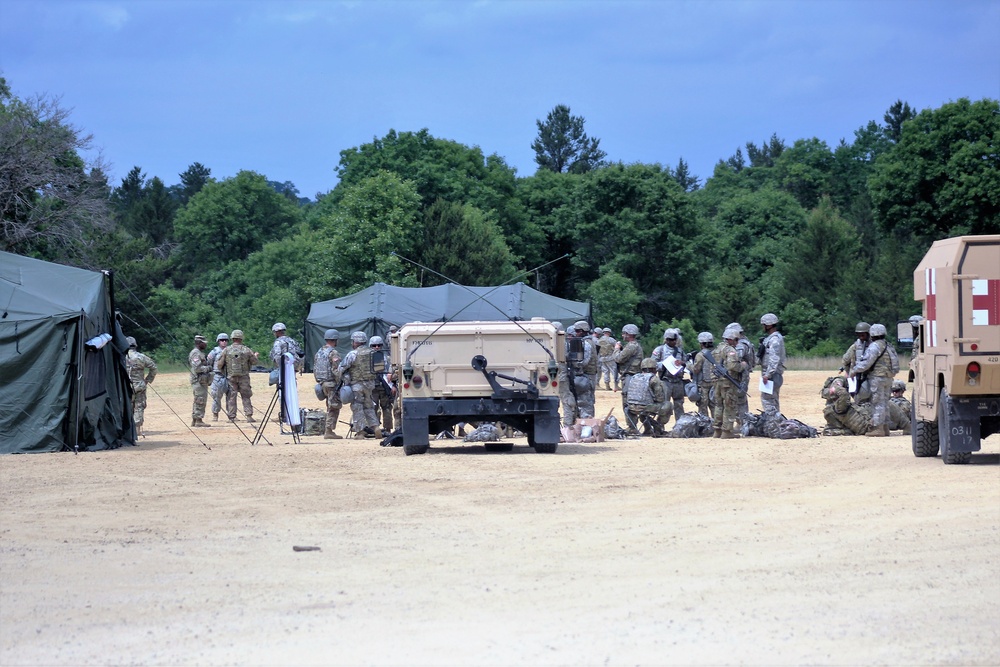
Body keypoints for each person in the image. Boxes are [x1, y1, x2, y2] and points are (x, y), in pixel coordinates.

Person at [849, 323, 899, 437]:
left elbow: (866, 363)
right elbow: (896, 363)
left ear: (872, 334)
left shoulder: (874, 346)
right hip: (888, 377)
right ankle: (885, 427)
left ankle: (878, 428)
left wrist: (854, 370)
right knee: (885, 402)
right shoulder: (889, 346)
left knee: (877, 403)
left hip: (877, 378)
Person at [338, 331, 380, 438]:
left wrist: (344, 377)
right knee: (369, 406)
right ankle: (376, 427)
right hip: (370, 384)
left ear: (356, 342)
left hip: (357, 385)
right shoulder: (373, 353)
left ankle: (360, 432)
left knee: (357, 407)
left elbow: (341, 368)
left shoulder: (353, 354)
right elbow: (379, 368)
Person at [215, 329, 259, 423]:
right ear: (241, 338)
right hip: (244, 377)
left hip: (231, 377)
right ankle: (249, 416)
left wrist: (225, 372)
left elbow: (219, 365)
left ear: (232, 338)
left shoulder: (227, 350)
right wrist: (255, 356)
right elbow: (254, 362)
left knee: (231, 396)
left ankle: (232, 417)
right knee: (246, 396)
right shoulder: (246, 350)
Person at [713, 326, 748, 439]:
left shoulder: (717, 349)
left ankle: (717, 430)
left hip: (718, 381)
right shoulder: (730, 350)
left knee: (719, 405)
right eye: (736, 340)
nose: (737, 343)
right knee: (730, 405)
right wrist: (742, 366)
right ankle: (727, 431)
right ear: (731, 339)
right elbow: (732, 365)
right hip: (729, 382)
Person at [313, 328, 344, 439]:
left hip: (322, 383)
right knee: (334, 407)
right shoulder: (333, 353)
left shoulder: (319, 352)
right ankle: (329, 431)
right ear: (335, 340)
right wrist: (341, 380)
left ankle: (328, 429)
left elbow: (315, 368)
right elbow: (336, 370)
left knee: (329, 405)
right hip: (331, 384)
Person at [625, 357, 669, 435]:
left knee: (644, 409)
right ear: (653, 369)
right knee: (668, 405)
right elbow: (660, 398)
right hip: (646, 408)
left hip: (631, 408)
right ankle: (659, 427)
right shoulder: (654, 379)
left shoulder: (634, 377)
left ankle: (635, 428)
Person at [651, 328, 686, 424]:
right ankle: (660, 426)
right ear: (666, 340)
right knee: (664, 406)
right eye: (671, 340)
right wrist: (664, 364)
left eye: (675, 340)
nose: (674, 342)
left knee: (679, 405)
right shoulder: (659, 350)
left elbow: (687, 363)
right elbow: (652, 364)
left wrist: (682, 363)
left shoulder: (680, 351)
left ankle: (680, 426)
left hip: (678, 381)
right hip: (665, 381)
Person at [612, 324, 643, 433]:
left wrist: (616, 349)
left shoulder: (631, 346)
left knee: (627, 402)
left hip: (629, 376)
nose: (622, 335)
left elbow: (618, 358)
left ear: (629, 334)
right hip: (633, 376)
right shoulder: (635, 346)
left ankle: (632, 427)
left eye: (624, 333)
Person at [125, 336, 157, 438]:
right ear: (135, 345)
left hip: (125, 386)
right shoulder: (141, 357)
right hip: (139, 385)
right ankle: (137, 430)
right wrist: (148, 380)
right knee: (139, 406)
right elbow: (153, 367)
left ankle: (127, 430)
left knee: (127, 406)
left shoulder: (121, 356)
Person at [759, 313, 786, 414]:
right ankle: (776, 421)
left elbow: (774, 358)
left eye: (764, 325)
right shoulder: (772, 338)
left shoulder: (774, 339)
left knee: (768, 401)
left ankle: (772, 422)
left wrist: (768, 374)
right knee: (773, 400)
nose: (763, 327)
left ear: (769, 325)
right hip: (772, 374)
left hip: (772, 375)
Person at [369, 335, 395, 434]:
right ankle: (374, 429)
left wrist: (392, 385)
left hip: (384, 387)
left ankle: (387, 429)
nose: (377, 347)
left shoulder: (387, 358)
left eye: (379, 345)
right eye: (374, 345)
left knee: (387, 407)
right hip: (372, 387)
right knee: (373, 408)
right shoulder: (367, 358)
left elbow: (391, 373)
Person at [689, 332, 717, 419]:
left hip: (703, 385)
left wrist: (687, 365)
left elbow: (696, 370)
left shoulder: (700, 355)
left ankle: (705, 425)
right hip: (715, 384)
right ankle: (716, 425)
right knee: (714, 406)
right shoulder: (717, 353)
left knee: (703, 408)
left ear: (701, 344)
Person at [841, 322, 871, 401]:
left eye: (863, 335)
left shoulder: (874, 346)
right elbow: (845, 360)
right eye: (859, 335)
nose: (861, 337)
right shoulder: (855, 347)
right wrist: (849, 372)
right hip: (858, 377)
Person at [188, 334, 213, 428]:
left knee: (198, 399)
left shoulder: (199, 353)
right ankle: (198, 420)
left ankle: (195, 420)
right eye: (204, 343)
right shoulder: (196, 353)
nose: (205, 345)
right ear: (199, 343)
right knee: (200, 399)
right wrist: (208, 368)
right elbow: (197, 368)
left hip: (202, 380)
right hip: (198, 380)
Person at [207, 333, 230, 422]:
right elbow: (209, 362)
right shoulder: (214, 351)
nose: (224, 342)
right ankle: (215, 414)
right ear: (218, 341)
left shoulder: (230, 350)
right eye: (222, 340)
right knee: (216, 396)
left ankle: (231, 414)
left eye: (225, 340)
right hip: (218, 376)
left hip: (229, 376)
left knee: (231, 397)